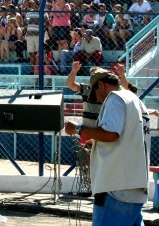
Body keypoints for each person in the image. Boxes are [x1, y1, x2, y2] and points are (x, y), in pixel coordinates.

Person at [64, 69, 150, 226]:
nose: (96, 99)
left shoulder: (115, 99)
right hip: (135, 185)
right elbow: (126, 137)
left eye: (95, 93)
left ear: (101, 85)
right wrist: (97, 143)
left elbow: (111, 134)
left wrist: (77, 128)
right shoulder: (135, 100)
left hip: (116, 187)